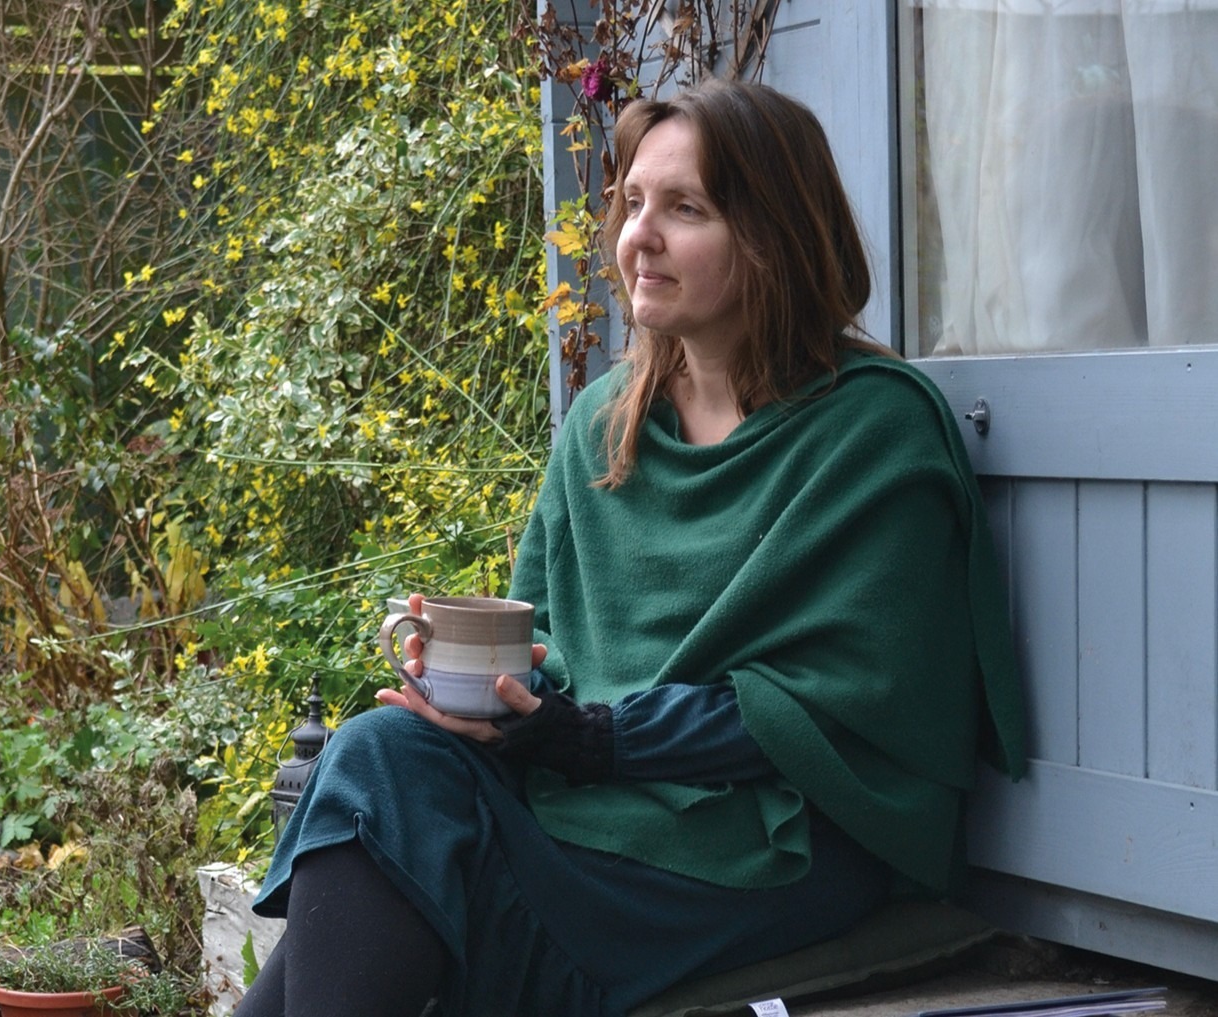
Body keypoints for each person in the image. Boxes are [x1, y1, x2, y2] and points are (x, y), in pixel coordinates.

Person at [234, 79, 1027, 1017]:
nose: (637, 236)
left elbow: (831, 712)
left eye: (684, 209)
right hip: (587, 801)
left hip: (768, 837)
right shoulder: (606, 425)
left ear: (773, 236)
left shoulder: (874, 434)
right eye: (633, 201)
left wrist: (587, 736)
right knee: (388, 751)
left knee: (390, 806)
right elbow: (552, 654)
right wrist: (492, 703)